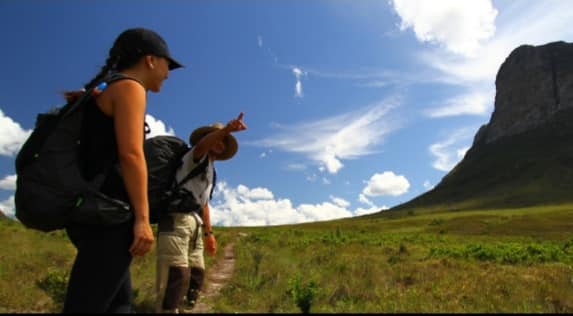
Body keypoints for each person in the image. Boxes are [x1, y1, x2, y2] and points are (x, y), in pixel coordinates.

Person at [62, 27, 183, 313]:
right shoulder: (130, 87)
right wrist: (142, 219)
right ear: (151, 60)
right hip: (109, 215)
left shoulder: (104, 90)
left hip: (90, 210)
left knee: (121, 302)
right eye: (168, 64)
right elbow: (131, 155)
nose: (168, 73)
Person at [155, 113, 247, 313]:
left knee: (196, 273)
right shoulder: (195, 156)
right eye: (218, 139)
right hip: (177, 219)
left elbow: (204, 204)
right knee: (175, 273)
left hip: (195, 223)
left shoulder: (211, 170)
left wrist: (209, 233)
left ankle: (185, 308)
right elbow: (202, 146)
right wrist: (227, 130)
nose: (221, 143)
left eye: (224, 142)